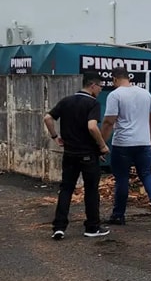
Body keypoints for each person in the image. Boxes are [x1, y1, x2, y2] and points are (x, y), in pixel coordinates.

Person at [43, 72, 111, 240]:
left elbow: (48, 118)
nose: (100, 90)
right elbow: (92, 127)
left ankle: (59, 227)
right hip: (88, 154)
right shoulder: (93, 104)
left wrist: (55, 136)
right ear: (93, 86)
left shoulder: (66, 101)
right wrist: (102, 146)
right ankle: (92, 227)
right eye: (100, 87)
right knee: (91, 190)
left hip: (70, 154)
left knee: (66, 189)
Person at [100, 65, 151, 228]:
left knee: (122, 178)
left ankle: (118, 215)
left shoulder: (115, 95)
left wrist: (100, 143)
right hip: (143, 142)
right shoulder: (145, 94)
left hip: (123, 143)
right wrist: (150, 138)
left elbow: (109, 121)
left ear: (114, 79)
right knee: (146, 174)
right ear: (128, 77)